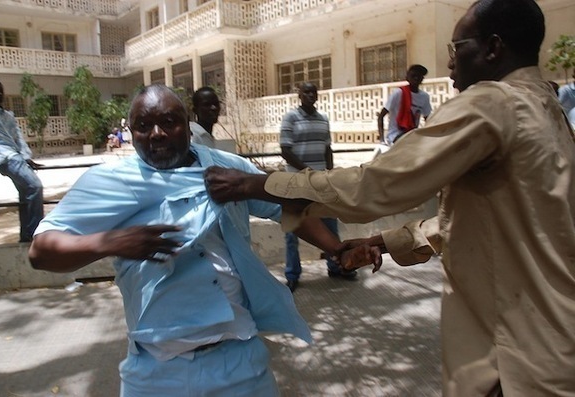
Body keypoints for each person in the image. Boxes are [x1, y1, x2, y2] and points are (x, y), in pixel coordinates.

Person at [204, 1, 575, 395]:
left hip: (515, 363)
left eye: (456, 49)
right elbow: (484, 224)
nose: (449, 66)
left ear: (493, 48)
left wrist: (256, 184)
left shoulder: (493, 103)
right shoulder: (548, 106)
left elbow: (375, 185)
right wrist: (381, 241)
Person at [28, 84, 353, 397]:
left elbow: (286, 210)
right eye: (143, 125)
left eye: (169, 122)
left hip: (239, 361)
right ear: (131, 132)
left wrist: (337, 249)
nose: (156, 133)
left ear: (187, 124)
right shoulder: (111, 181)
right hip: (156, 371)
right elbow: (41, 251)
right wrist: (111, 242)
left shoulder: (225, 167)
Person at [279, 82, 354, 292]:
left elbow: (327, 149)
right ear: (300, 95)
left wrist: (329, 173)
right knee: (292, 230)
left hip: (321, 183)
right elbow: (285, 150)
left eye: (314, 92)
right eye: (306, 92)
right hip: (295, 183)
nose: (310, 95)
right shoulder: (290, 118)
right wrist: (307, 171)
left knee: (330, 226)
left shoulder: (323, 120)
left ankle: (336, 266)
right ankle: (292, 274)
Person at [0, 79, 44, 242]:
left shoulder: (8, 115)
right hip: (1, 157)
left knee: (25, 193)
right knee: (35, 187)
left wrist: (27, 157)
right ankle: (37, 233)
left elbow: (18, 138)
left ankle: (26, 236)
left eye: (0, 91)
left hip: (15, 157)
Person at [377, 64, 432, 145]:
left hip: (412, 133)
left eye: (419, 76)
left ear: (422, 79)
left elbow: (428, 118)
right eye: (413, 76)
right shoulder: (398, 93)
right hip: (395, 135)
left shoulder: (424, 97)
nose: (416, 78)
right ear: (407, 77)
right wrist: (382, 140)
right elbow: (381, 115)